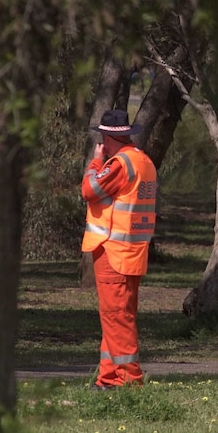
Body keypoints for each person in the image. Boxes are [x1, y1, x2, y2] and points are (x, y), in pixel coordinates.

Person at [81, 109, 158, 389]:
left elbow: (89, 190)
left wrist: (95, 161)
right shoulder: (144, 161)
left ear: (106, 137)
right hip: (134, 251)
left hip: (114, 251)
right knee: (117, 317)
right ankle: (108, 378)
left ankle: (129, 380)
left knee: (117, 318)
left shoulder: (118, 164)